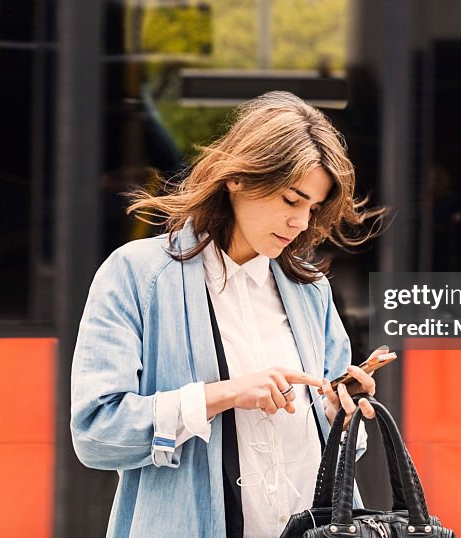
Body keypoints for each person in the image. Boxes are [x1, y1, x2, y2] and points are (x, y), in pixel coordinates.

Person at [70, 91, 387, 537]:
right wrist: (224, 394)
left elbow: (339, 452)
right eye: (291, 200)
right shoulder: (137, 276)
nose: (301, 223)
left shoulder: (311, 291)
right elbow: (97, 434)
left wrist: (341, 412)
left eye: (312, 208)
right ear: (238, 179)